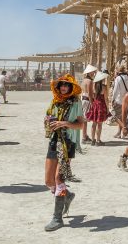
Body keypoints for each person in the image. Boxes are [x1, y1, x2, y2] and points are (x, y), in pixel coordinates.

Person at [44, 74, 85, 232]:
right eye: (62, 85)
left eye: (67, 85)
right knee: (49, 181)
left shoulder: (75, 102)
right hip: (54, 140)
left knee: (58, 179)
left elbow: (81, 125)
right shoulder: (55, 101)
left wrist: (65, 123)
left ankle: (57, 218)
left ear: (71, 88)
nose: (64, 88)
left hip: (67, 143)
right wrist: (48, 120)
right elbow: (48, 114)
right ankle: (67, 195)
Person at [87, 71, 110, 144]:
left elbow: (92, 96)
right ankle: (98, 140)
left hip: (95, 105)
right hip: (101, 106)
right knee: (99, 124)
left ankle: (93, 140)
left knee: (94, 123)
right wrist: (108, 108)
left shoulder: (93, 86)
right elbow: (106, 99)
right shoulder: (104, 87)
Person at [111, 61, 128, 139]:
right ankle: (119, 133)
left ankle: (125, 129)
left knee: (116, 117)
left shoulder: (118, 78)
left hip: (120, 100)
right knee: (124, 116)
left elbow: (115, 90)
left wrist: (113, 99)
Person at [81, 64, 97, 144]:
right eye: (92, 72)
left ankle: (84, 135)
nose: (93, 73)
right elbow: (90, 94)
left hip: (83, 100)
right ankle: (84, 137)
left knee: (84, 119)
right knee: (85, 119)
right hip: (87, 100)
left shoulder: (84, 80)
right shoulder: (90, 81)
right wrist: (92, 104)